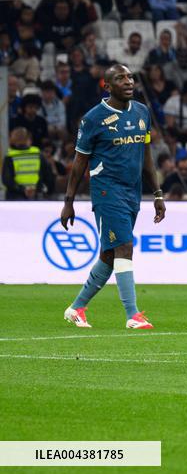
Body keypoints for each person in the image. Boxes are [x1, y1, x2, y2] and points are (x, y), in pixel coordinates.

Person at [61, 64, 166, 330]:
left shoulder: (142, 112)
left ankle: (76, 308)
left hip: (132, 192)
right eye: (121, 78)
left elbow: (147, 156)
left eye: (130, 77)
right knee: (124, 247)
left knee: (109, 255)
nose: (129, 81)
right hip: (107, 191)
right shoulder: (93, 119)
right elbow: (78, 163)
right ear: (107, 86)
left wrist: (157, 193)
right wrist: (68, 202)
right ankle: (133, 314)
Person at [2, 127, 55, 200]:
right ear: (28, 139)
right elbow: (48, 176)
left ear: (12, 140)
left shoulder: (10, 156)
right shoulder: (38, 154)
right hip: (36, 195)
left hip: (15, 196)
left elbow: (7, 180)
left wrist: (23, 189)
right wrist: (40, 189)